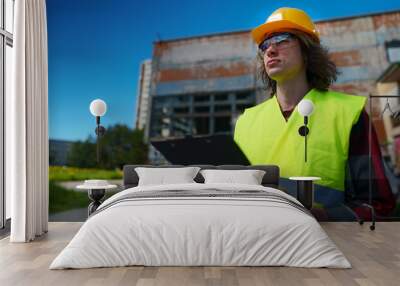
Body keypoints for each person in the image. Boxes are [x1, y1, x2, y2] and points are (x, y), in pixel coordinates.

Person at [234, 7, 395, 219]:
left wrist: (327, 217)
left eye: (282, 39)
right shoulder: (245, 123)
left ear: (307, 52)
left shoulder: (348, 113)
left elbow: (378, 204)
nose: (270, 50)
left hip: (326, 246)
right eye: (265, 45)